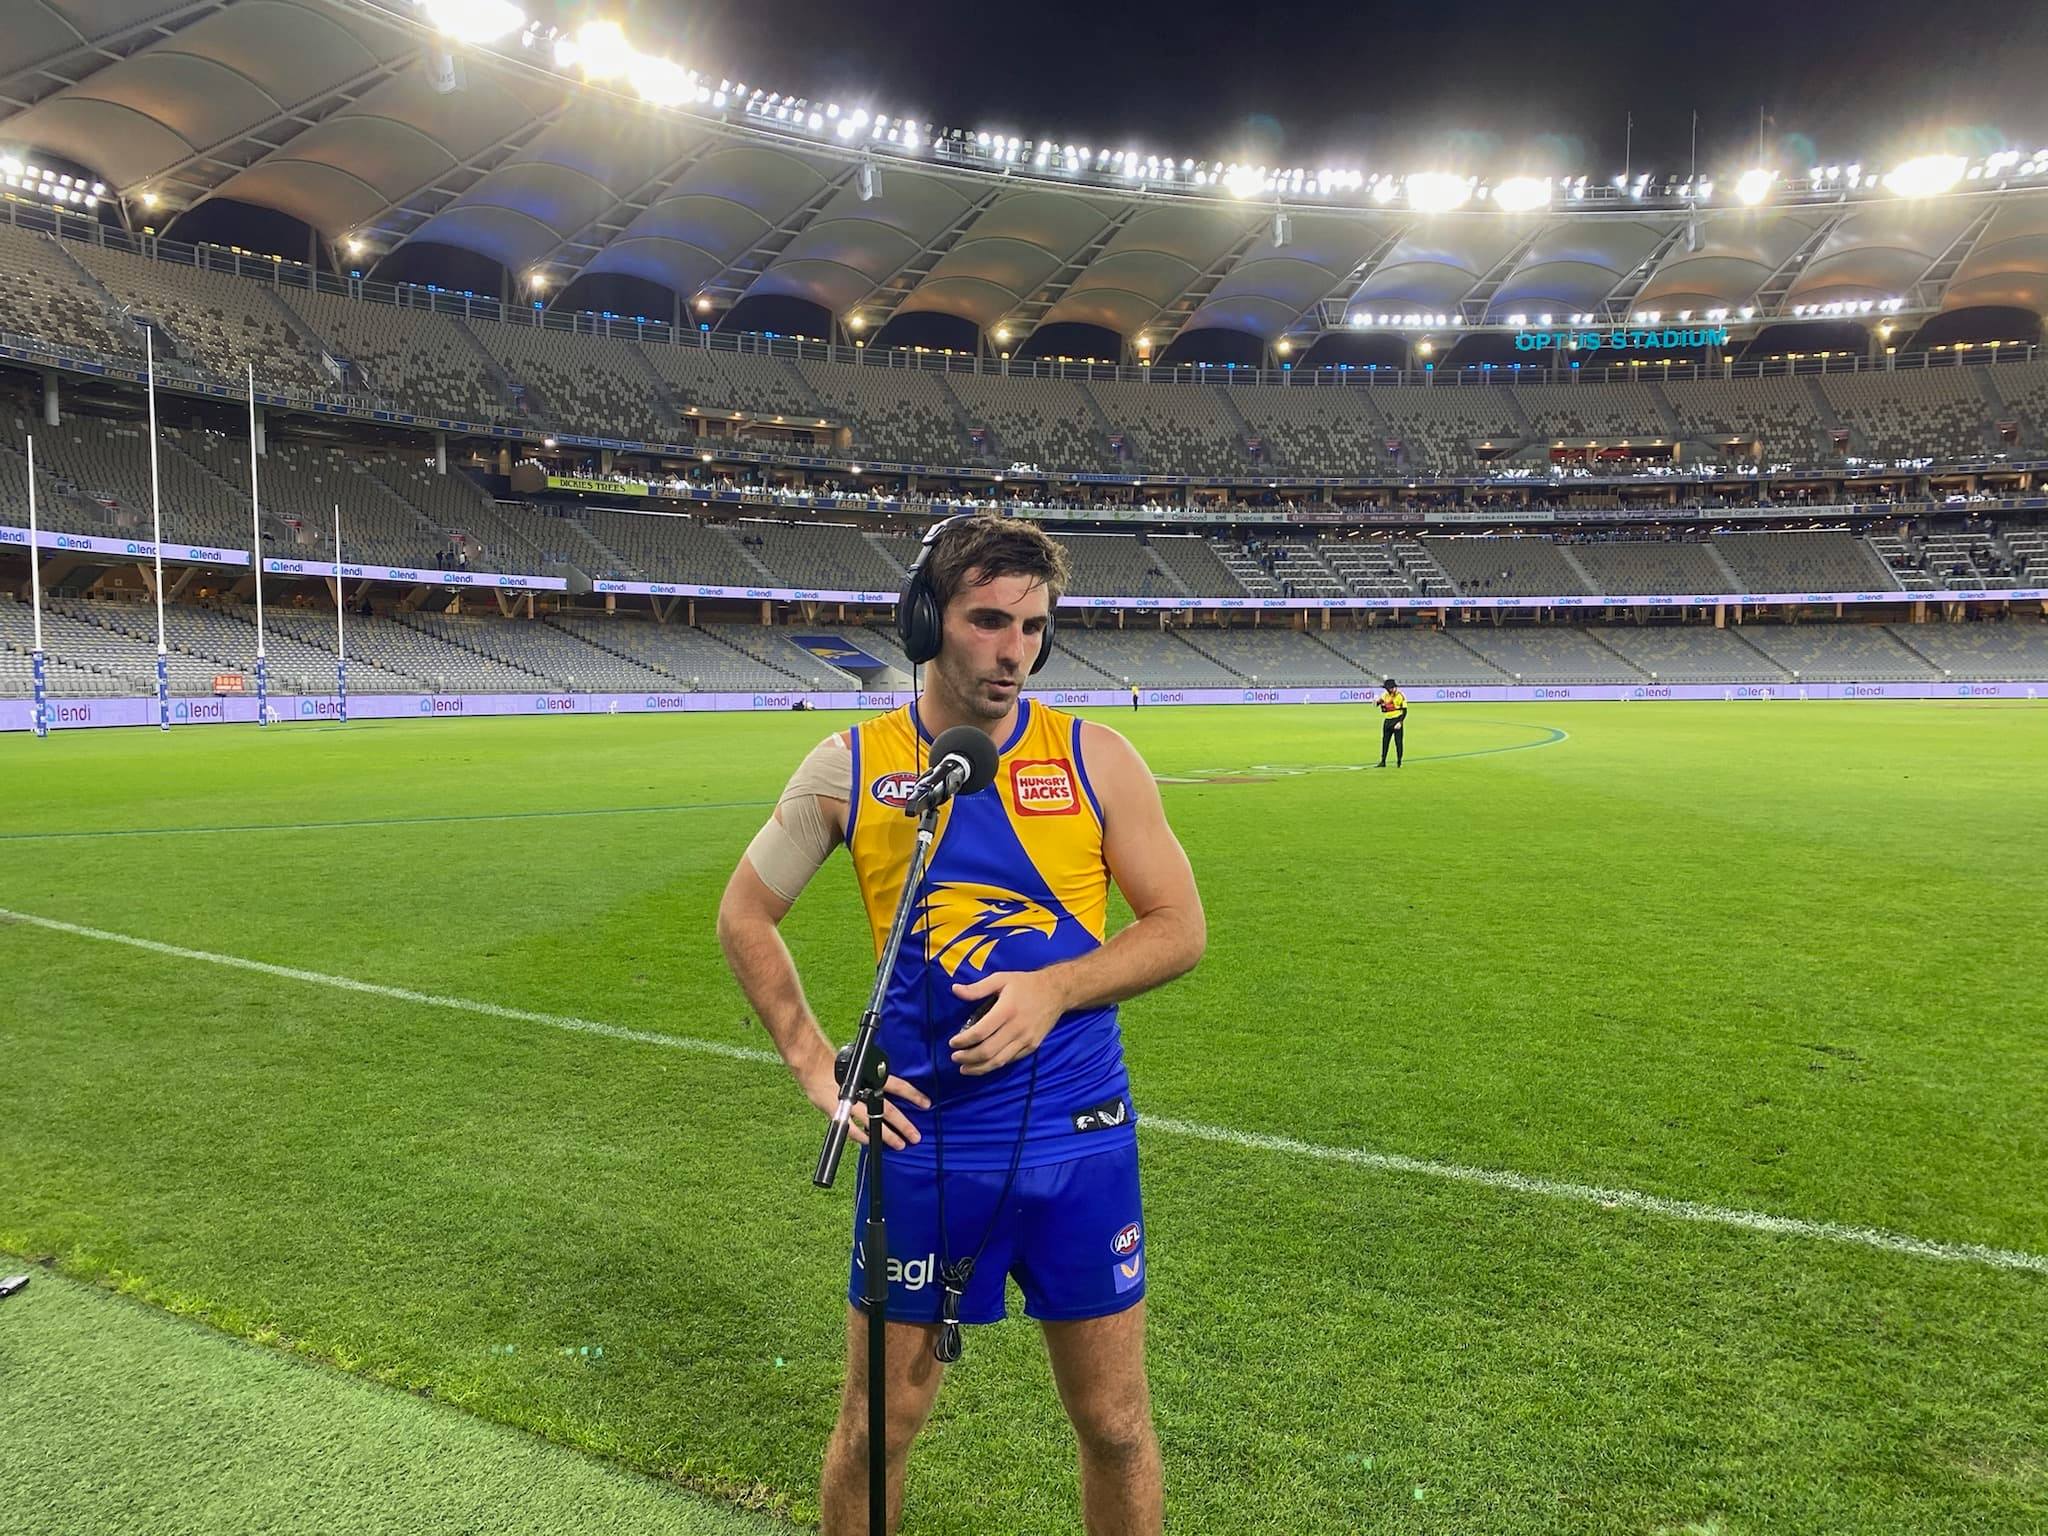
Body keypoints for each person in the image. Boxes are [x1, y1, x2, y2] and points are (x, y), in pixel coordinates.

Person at [718, 513, 1205, 1536]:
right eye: (987, 621)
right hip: (927, 1149)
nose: (1011, 650)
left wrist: (1056, 989)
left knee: (1115, 1424)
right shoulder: (851, 767)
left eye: (1031, 626)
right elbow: (743, 914)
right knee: (880, 1427)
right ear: (924, 619)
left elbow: (1177, 930)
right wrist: (816, 1064)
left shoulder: (1095, 757)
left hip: (1082, 1143)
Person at [1376, 676, 1408, 767]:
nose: (1390, 690)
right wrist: (1376, 702)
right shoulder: (1385, 695)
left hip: (1397, 720)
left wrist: (1400, 722)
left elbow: (1405, 711)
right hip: (1387, 720)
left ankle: (1399, 761)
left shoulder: (1400, 696)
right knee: (1385, 741)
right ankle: (1383, 761)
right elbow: (1380, 704)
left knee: (1398, 742)